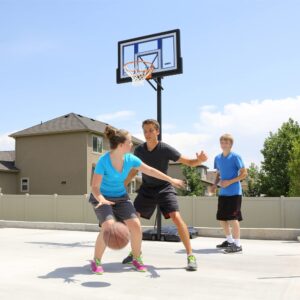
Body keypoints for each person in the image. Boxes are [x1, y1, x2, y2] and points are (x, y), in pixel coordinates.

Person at [89, 125, 185, 274]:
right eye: (129, 141)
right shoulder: (103, 161)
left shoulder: (130, 159)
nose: (132, 144)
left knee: (135, 224)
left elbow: (151, 170)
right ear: (121, 145)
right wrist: (101, 199)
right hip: (101, 197)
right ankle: (96, 261)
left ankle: (136, 258)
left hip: (120, 197)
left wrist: (170, 179)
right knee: (108, 226)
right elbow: (94, 186)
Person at [122, 119, 208, 271]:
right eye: (145, 131)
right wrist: (122, 185)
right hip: (147, 189)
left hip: (164, 188)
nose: (147, 134)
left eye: (150, 130)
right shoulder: (139, 150)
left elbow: (188, 161)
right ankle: (136, 253)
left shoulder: (165, 149)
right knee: (133, 219)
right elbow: (134, 170)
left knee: (176, 217)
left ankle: (190, 255)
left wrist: (199, 160)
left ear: (157, 132)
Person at [211, 134, 247, 253]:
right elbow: (218, 173)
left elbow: (244, 173)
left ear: (231, 144)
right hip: (223, 193)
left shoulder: (236, 157)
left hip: (235, 193)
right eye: (222, 142)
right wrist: (215, 184)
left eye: (226, 142)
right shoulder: (217, 158)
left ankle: (237, 245)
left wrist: (229, 182)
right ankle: (229, 241)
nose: (224, 144)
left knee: (233, 218)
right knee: (222, 218)